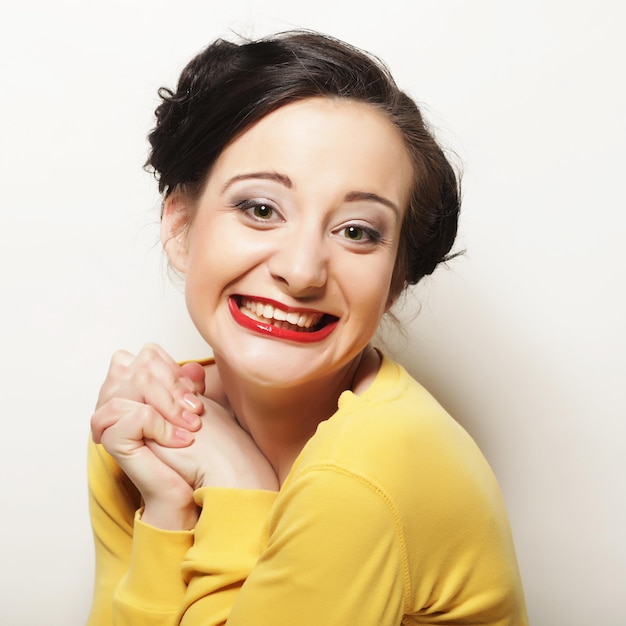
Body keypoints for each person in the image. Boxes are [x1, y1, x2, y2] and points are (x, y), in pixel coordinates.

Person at [87, 30, 528, 625]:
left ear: (395, 278)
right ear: (181, 226)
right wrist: (169, 509)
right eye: (260, 209)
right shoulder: (147, 426)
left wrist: (238, 488)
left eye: (357, 231)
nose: (300, 271)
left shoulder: (366, 476)